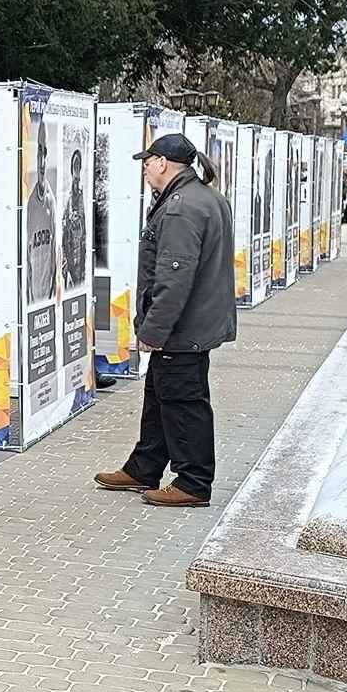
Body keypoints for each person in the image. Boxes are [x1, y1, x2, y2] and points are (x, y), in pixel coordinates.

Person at [94, 133, 236, 507]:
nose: (144, 169)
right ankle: (145, 466)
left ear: (162, 163)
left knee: (183, 402)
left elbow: (175, 277)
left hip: (183, 328)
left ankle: (193, 482)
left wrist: (153, 330)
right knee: (160, 394)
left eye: (147, 161)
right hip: (194, 323)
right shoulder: (204, 196)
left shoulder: (181, 207)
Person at [24, 117, 57, 305]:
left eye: (45, 152)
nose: (42, 161)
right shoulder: (31, 206)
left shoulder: (51, 203)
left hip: (48, 300)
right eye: (39, 152)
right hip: (33, 302)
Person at [61, 145, 89, 288]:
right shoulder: (68, 197)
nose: (76, 170)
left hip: (81, 255)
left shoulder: (84, 195)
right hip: (71, 252)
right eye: (74, 167)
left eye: (78, 166)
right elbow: (63, 228)